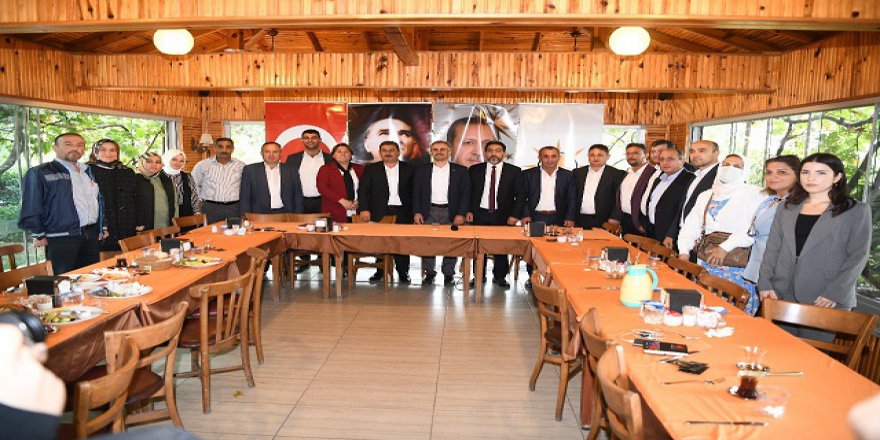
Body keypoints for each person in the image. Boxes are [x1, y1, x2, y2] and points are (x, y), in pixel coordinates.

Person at [758, 153, 871, 341]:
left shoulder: (855, 210)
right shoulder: (787, 207)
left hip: (824, 295)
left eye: (821, 173)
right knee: (776, 348)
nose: (811, 178)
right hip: (781, 291)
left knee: (812, 353)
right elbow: (772, 248)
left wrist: (834, 292)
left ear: (837, 177)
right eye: (805, 172)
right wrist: (764, 283)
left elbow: (858, 256)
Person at [676, 154, 766, 314]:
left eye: (737, 166)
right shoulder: (707, 195)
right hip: (705, 262)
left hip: (736, 264)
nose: (730, 169)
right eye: (726, 164)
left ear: (745, 171)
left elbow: (754, 227)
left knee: (733, 313)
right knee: (704, 309)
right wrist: (684, 251)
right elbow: (691, 225)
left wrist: (725, 247)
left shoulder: (755, 194)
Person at [18, 133, 107, 274]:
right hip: (61, 236)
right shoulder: (40, 172)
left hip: (90, 235)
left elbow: (96, 201)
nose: (75, 148)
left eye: (79, 145)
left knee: (91, 277)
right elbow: (31, 203)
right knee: (63, 280)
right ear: (55, 148)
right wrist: (38, 233)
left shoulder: (88, 172)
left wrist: (102, 226)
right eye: (68, 144)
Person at [466, 140, 525, 288]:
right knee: (478, 247)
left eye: (498, 151)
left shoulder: (514, 171)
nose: (494, 154)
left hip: (503, 215)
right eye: (490, 150)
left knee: (501, 247)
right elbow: (468, 192)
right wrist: (468, 210)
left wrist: (515, 215)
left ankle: (500, 277)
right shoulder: (474, 170)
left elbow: (521, 195)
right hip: (479, 214)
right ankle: (479, 276)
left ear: (503, 153)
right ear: (485, 153)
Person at [413, 141, 471, 286]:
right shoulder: (422, 170)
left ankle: (448, 274)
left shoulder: (461, 171)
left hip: (451, 211)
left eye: (442, 149)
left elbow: (466, 194)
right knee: (428, 243)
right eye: (435, 149)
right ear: (431, 152)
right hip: (428, 211)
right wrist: (417, 212)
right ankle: (429, 273)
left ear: (449, 152)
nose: (439, 152)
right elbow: (416, 193)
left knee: (451, 243)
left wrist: (461, 213)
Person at [358, 141, 415, 283]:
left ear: (398, 152)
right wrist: (364, 209)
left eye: (391, 150)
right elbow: (363, 191)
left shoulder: (409, 169)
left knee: (402, 243)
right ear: (380, 153)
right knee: (380, 242)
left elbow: (416, 192)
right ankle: (380, 271)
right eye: (384, 150)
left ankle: (403, 272)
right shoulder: (371, 169)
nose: (388, 153)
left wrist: (416, 212)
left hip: (403, 211)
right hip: (379, 211)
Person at [742, 155, 800, 292]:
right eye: (769, 172)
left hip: (777, 273)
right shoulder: (770, 200)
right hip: (757, 266)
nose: (773, 176)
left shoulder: (797, 205)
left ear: (798, 175)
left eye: (782, 172)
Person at [87, 139, 139, 252]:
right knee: (104, 257)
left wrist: (139, 221)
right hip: (102, 222)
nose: (108, 153)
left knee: (126, 254)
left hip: (126, 221)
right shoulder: (87, 171)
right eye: (103, 150)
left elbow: (136, 196)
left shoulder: (126, 171)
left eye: (112, 150)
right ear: (95, 152)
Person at [645, 147, 695, 249]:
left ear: (682, 160)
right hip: (652, 231)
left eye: (670, 159)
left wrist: (672, 234)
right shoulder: (659, 179)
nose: (665, 163)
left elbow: (686, 211)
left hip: (671, 236)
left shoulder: (690, 180)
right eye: (662, 159)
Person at [239, 141, 303, 215]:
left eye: (275, 152)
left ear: (280, 153)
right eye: (267, 152)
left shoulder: (291, 170)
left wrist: (298, 215)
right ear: (261, 153)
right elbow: (245, 196)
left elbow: (298, 195)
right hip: (259, 215)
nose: (271, 155)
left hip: (285, 213)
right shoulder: (250, 170)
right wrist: (245, 216)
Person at [191, 137, 245, 224]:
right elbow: (193, 187)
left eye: (228, 147)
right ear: (215, 148)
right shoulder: (202, 165)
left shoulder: (241, 166)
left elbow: (245, 188)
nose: (224, 150)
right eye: (220, 147)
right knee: (209, 232)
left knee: (235, 232)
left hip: (234, 208)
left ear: (233, 149)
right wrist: (197, 208)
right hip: (210, 208)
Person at [573, 144, 625, 229]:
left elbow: (620, 197)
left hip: (605, 220)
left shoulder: (617, 174)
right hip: (579, 219)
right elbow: (571, 196)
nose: (595, 158)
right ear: (588, 156)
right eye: (592, 155)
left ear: (608, 156)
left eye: (600, 155)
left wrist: (615, 217)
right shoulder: (577, 172)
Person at [522, 146, 576, 228]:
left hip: (560, 218)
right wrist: (525, 214)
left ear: (559, 157)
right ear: (539, 158)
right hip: (534, 217)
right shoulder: (528, 174)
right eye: (546, 156)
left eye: (553, 156)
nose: (550, 160)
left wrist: (570, 217)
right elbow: (522, 197)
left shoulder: (568, 175)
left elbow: (572, 198)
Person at [610, 143, 655, 236]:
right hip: (625, 220)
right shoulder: (626, 173)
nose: (631, 156)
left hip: (642, 222)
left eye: (635, 153)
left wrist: (644, 223)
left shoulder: (653, 174)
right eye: (628, 153)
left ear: (646, 155)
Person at [284, 129, 332, 214]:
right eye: (306, 138)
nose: (310, 140)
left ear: (320, 140)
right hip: (300, 202)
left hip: (324, 201)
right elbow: (287, 181)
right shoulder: (292, 159)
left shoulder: (330, 159)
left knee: (323, 223)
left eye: (314, 138)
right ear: (302, 140)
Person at [317, 143, 365, 224]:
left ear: (351, 155)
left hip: (357, 210)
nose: (343, 154)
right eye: (339, 152)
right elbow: (322, 188)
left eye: (346, 152)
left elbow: (366, 188)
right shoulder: (325, 169)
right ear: (333, 155)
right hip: (335, 209)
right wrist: (342, 201)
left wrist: (359, 200)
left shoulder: (360, 169)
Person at [357, 110, 427, 164]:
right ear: (367, 145)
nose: (396, 139)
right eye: (385, 133)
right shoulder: (360, 173)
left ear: (414, 143)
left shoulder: (420, 172)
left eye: (404, 134)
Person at [680, 140, 720, 225]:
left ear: (716, 153)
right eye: (692, 151)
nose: (695, 155)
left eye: (701, 151)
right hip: (685, 228)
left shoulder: (721, 176)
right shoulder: (695, 174)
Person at [135, 152, 176, 231]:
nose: (154, 165)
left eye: (158, 162)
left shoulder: (165, 179)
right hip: (144, 225)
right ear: (141, 162)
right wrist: (137, 222)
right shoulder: (135, 180)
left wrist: (175, 220)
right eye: (149, 161)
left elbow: (174, 202)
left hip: (165, 223)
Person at [162, 149, 201, 218]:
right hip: (164, 213)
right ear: (167, 159)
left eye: (181, 161)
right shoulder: (158, 176)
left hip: (185, 212)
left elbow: (194, 196)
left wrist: (197, 211)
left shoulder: (188, 176)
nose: (178, 163)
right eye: (174, 159)